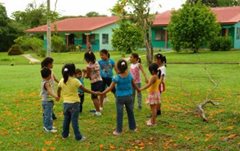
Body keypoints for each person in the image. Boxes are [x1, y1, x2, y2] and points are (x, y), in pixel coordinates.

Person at [57, 63, 98, 141]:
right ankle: (78, 137)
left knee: (66, 120)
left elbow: (58, 89)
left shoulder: (62, 80)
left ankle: (64, 135)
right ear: (73, 71)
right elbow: (84, 89)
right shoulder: (75, 81)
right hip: (74, 104)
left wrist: (58, 96)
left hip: (66, 104)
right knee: (74, 121)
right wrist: (94, 92)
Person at [101, 59, 139, 136]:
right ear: (126, 67)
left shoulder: (116, 78)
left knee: (119, 113)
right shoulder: (130, 76)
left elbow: (110, 88)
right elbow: (134, 85)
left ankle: (118, 131)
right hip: (129, 97)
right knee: (130, 112)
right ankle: (133, 127)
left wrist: (103, 92)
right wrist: (138, 89)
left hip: (120, 98)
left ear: (118, 68)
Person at [84, 51, 103, 116]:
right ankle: (98, 108)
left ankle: (98, 112)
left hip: (95, 82)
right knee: (96, 96)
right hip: (100, 80)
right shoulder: (96, 62)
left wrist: (84, 73)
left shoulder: (89, 66)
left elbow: (88, 76)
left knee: (94, 97)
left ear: (87, 58)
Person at [40, 67, 59, 133]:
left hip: (44, 101)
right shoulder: (47, 83)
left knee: (47, 114)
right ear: (48, 76)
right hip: (47, 101)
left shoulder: (43, 81)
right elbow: (49, 91)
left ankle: (47, 125)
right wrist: (56, 96)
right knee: (48, 115)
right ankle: (48, 128)